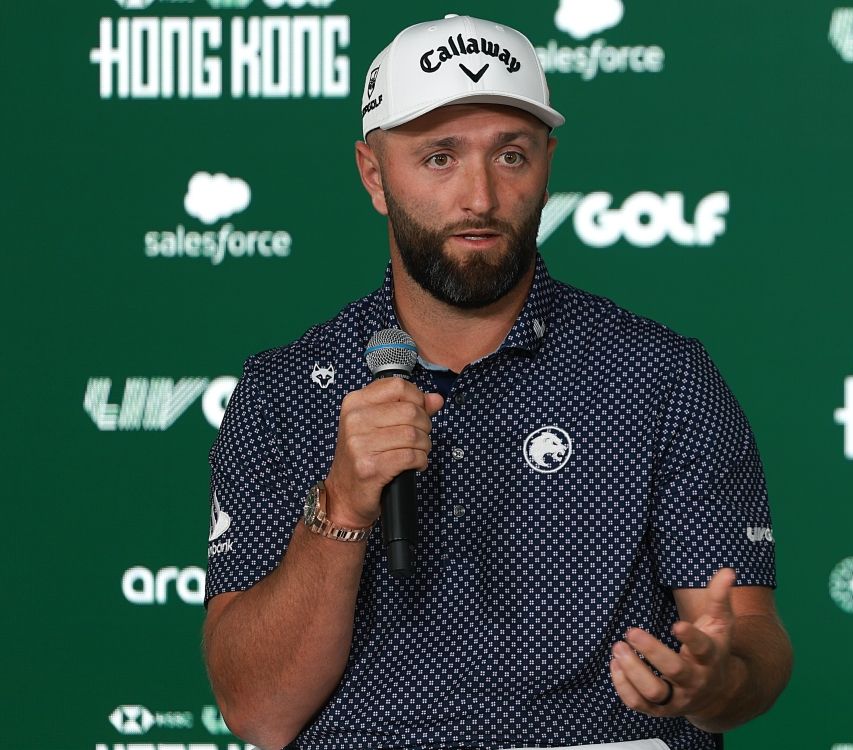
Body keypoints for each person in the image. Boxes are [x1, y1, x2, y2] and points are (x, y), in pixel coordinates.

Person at [202, 14, 792, 750]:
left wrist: (715, 683)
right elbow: (257, 711)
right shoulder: (283, 392)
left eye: (510, 156)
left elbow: (750, 640)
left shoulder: (660, 377)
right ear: (374, 175)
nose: (479, 197)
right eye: (439, 158)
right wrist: (345, 503)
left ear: (548, 162)